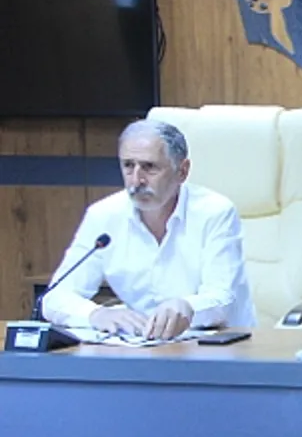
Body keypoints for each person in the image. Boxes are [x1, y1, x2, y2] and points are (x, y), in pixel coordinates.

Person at [40, 120, 256, 339]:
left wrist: (188, 308)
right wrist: (95, 314)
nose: (137, 180)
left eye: (150, 167)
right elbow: (55, 297)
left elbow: (224, 299)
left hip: (220, 344)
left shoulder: (214, 212)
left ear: (182, 171)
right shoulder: (104, 216)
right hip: (142, 347)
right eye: (128, 166)